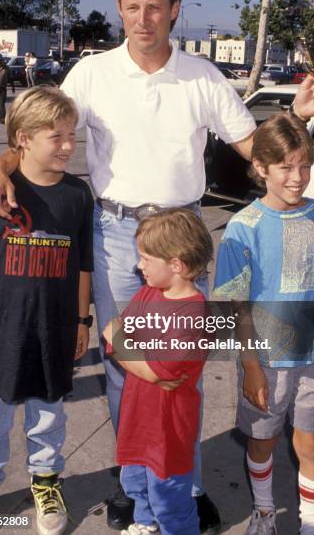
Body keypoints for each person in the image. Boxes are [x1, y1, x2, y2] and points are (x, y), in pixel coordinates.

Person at [0, 0, 314, 534]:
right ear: (120, 10)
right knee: (127, 365)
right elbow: (44, 125)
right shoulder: (91, 73)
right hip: (119, 235)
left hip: (183, 240)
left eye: (156, 8)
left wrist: (298, 115)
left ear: (174, 10)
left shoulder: (202, 75)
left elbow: (251, 146)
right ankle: (135, 482)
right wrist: (3, 165)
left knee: (184, 368)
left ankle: (184, 487)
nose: (144, 19)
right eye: (133, 8)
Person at [213, 113, 314, 535]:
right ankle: (264, 511)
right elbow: (236, 308)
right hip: (265, 363)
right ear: (260, 168)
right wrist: (252, 365)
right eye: (286, 167)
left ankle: (311, 526)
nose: (298, 178)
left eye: (305, 166)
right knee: (263, 441)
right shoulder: (243, 229)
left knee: (311, 442)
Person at [0, 86, 94, 535]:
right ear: (22, 138)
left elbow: (83, 265)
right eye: (55, 136)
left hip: (55, 330)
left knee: (49, 415)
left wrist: (82, 321)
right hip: (0, 330)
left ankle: (45, 481)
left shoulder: (78, 195)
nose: (67, 146)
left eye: (71, 136)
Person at [103, 208, 213, 535]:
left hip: (168, 431)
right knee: (136, 483)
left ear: (176, 264)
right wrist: (122, 341)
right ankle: (145, 525)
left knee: (171, 501)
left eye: (146, 259)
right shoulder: (151, 291)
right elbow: (119, 333)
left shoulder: (194, 315)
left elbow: (153, 369)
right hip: (139, 418)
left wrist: (121, 340)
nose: (139, 266)